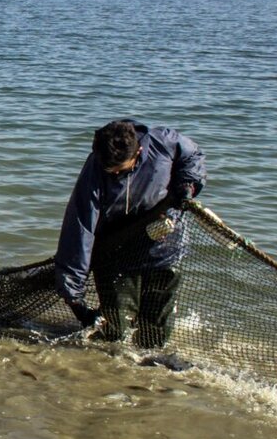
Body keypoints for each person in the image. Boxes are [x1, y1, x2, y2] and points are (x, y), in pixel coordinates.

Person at [54, 119, 206, 348]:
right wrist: (73, 295)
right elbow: (79, 230)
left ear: (139, 152)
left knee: (155, 331)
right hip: (116, 248)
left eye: (119, 170)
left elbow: (193, 156)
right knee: (116, 330)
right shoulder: (95, 170)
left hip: (164, 241)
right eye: (109, 171)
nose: (113, 174)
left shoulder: (164, 142)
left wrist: (188, 185)